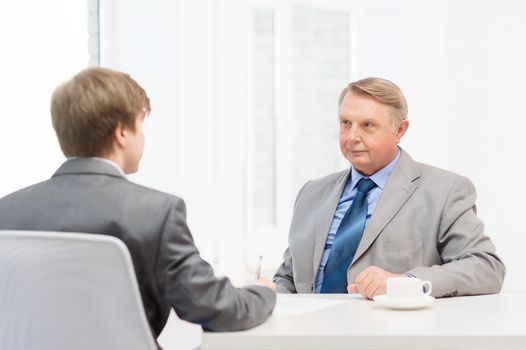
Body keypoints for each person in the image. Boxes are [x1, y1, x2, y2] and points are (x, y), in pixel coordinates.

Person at [0, 67, 276, 342]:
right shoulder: (156, 214)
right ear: (122, 133)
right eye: (140, 124)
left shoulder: (7, 212)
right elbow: (217, 308)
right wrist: (263, 292)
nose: (143, 135)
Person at [273, 77, 505, 299]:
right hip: (308, 336)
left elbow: (486, 267)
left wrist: (407, 282)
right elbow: (289, 279)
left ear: (400, 130)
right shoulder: (311, 194)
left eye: (367, 125)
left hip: (390, 335)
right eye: (346, 123)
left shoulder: (445, 191)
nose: (352, 136)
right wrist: (265, 294)